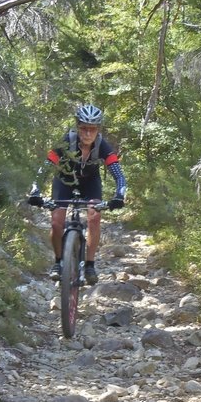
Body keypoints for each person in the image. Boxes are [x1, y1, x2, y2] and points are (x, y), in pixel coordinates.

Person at [27, 104, 127, 285]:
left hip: (90, 182)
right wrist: (36, 191)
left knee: (94, 217)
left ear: (98, 130)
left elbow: (119, 175)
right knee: (57, 222)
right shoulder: (65, 142)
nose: (88, 133)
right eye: (84, 128)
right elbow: (45, 169)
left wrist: (119, 195)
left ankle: (89, 264)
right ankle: (58, 262)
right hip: (63, 181)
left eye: (92, 129)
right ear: (77, 126)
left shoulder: (103, 146)